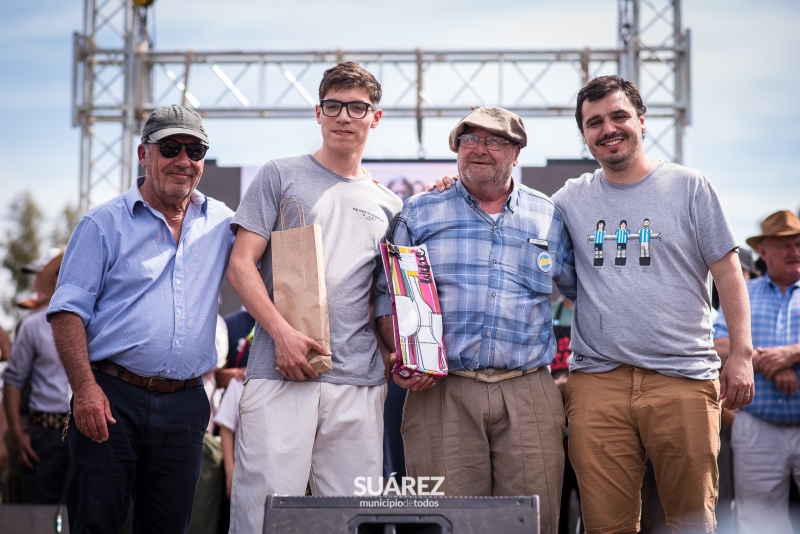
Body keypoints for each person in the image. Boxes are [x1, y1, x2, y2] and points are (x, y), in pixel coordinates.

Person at [552, 75, 753, 534]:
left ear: (641, 121)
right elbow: (506, 206)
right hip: (598, 382)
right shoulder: (568, 199)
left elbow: (728, 273)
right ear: (585, 135)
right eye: (594, 122)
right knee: (605, 525)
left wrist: (741, 354)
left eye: (619, 116)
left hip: (682, 378)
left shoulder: (689, 186)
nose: (608, 129)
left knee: (690, 522)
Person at [377, 106, 577, 534]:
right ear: (456, 149)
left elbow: (587, 295)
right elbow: (385, 297)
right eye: (470, 140)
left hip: (529, 391)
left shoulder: (550, 216)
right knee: (445, 525)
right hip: (441, 391)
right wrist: (401, 354)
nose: (480, 149)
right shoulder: (419, 212)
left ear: (516, 153)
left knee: (533, 523)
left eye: (494, 141)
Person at [226, 61, 402, 532]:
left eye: (357, 107)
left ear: (375, 117)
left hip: (359, 384)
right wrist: (282, 335)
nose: (345, 116)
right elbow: (240, 267)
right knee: (261, 516)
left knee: (353, 522)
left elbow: (384, 298)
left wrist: (394, 355)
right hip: (279, 373)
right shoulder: (278, 176)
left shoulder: (391, 206)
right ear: (318, 113)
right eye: (334, 106)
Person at [47, 105, 235, 533]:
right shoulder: (101, 224)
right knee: (96, 525)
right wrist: (85, 391)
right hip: (110, 399)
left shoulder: (224, 222)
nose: (184, 160)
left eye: (196, 149)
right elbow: (65, 313)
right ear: (143, 153)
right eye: (170, 147)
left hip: (186, 404)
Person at [714, 209, 800, 533]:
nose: (795, 252)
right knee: (758, 524)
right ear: (763, 250)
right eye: (785, 245)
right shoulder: (744, 292)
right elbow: (718, 343)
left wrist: (791, 354)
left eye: (798, 243)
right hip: (757, 426)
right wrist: (768, 361)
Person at [2, 250, 70, 504]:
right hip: (44, 432)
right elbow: (13, 380)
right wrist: (18, 436)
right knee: (38, 514)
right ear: (54, 280)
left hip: (87, 431)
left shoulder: (97, 322)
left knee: (85, 511)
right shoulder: (33, 325)